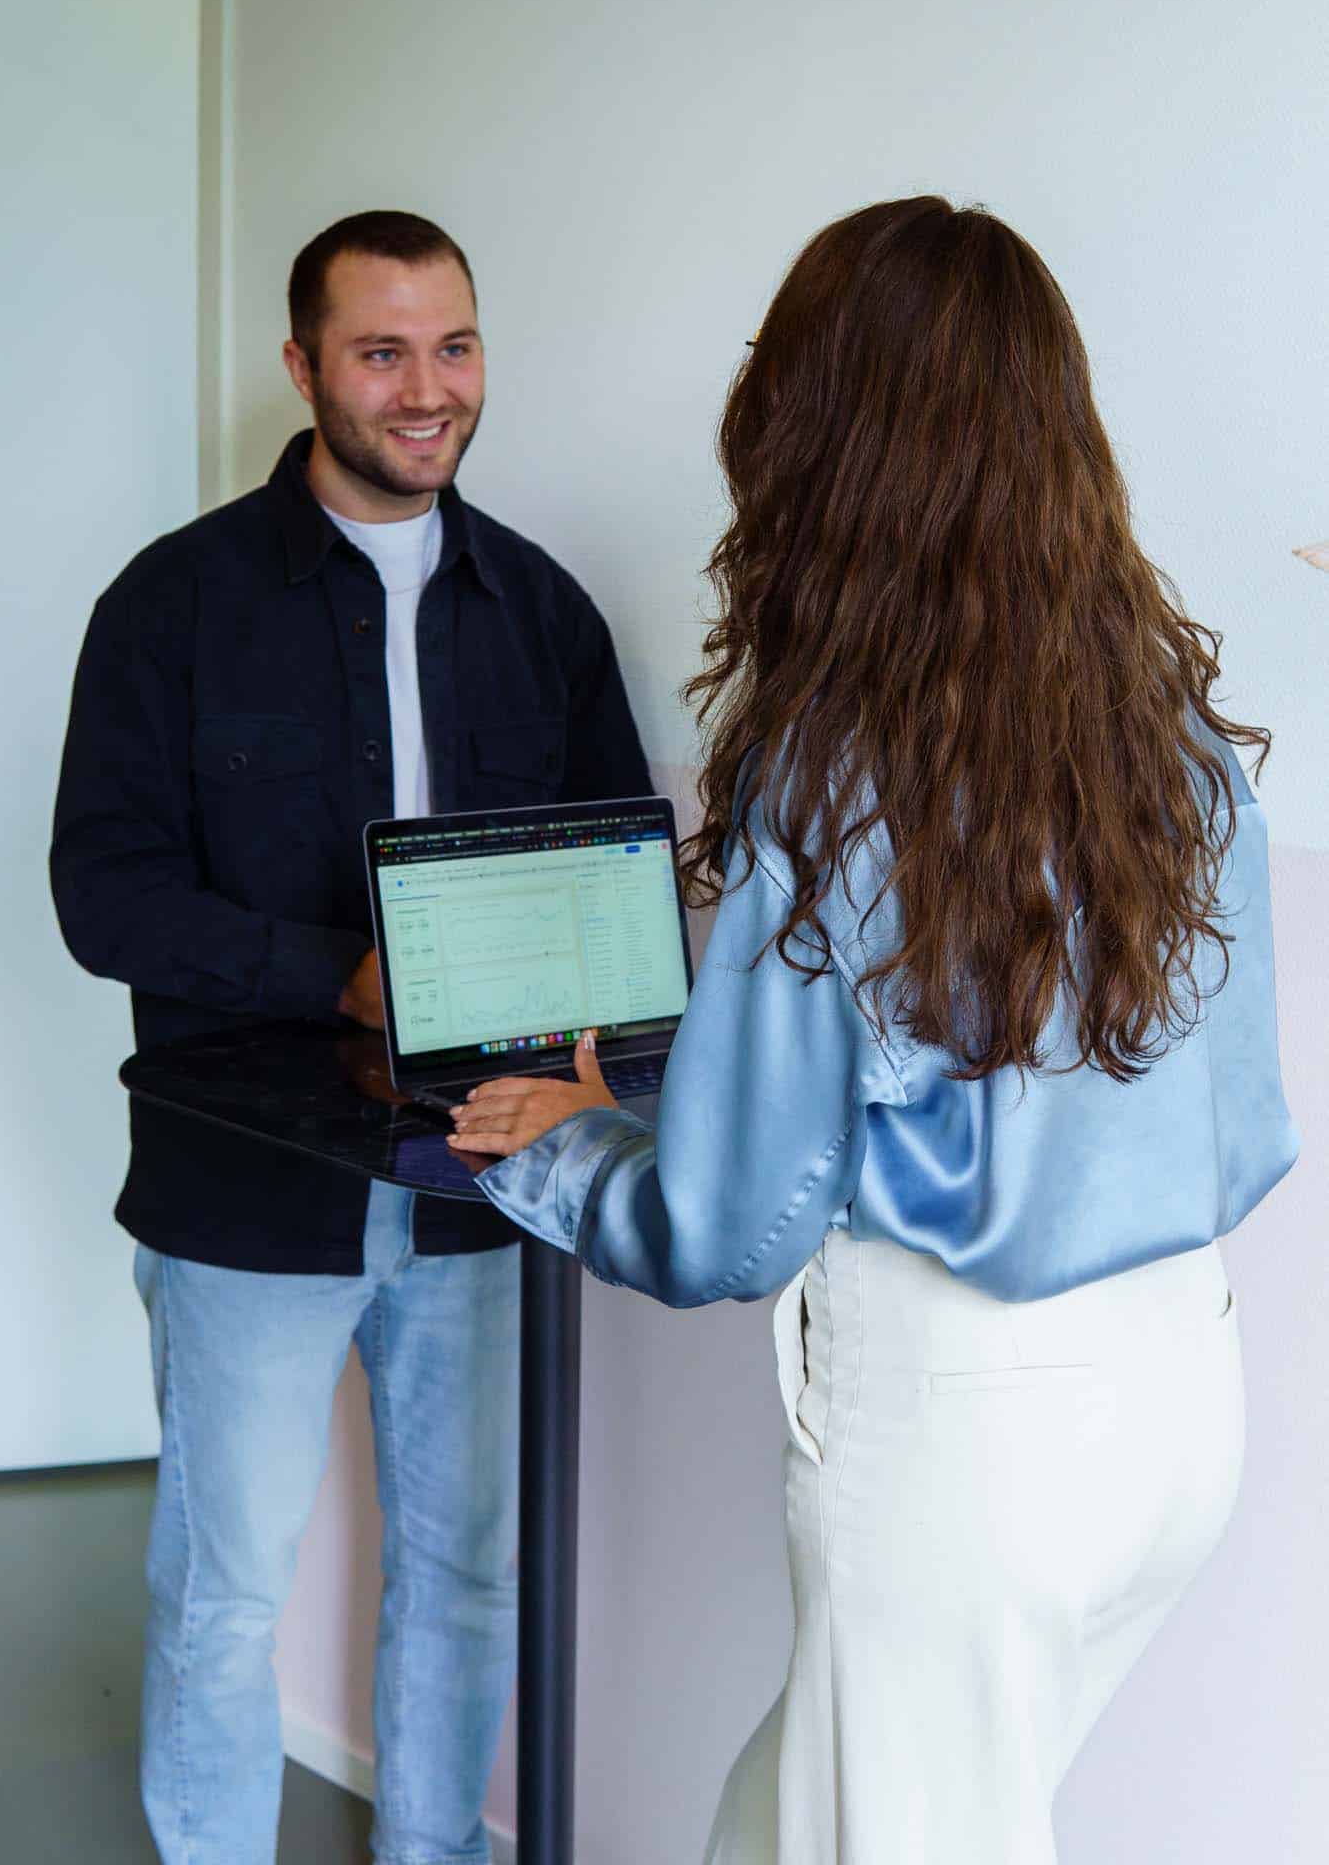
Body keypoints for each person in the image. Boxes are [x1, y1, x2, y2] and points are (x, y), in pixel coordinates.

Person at [445, 197, 1300, 1864]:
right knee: (778, 1826)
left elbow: (730, 1227)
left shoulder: (838, 776)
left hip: (963, 1442)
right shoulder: (1172, 739)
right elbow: (1173, 1094)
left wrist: (562, 1156)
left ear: (814, 433)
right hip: (1179, 1411)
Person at [50, 209, 652, 1865]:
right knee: (224, 1588)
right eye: (381, 351)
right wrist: (342, 976)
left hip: (487, 1183)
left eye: (452, 346)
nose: (425, 388)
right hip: (243, 1191)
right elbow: (102, 899)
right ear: (303, 364)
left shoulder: (542, 610)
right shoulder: (169, 605)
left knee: (466, 1572)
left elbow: (615, 883)